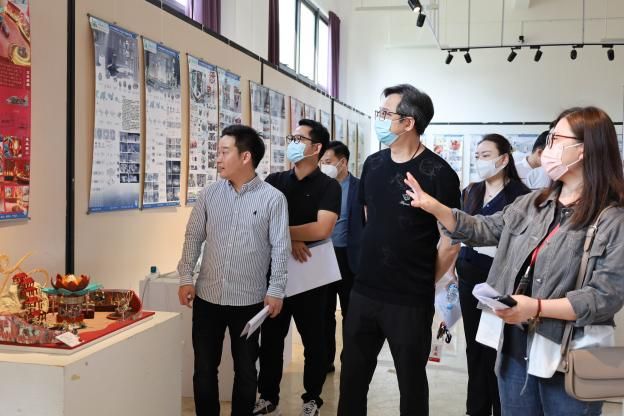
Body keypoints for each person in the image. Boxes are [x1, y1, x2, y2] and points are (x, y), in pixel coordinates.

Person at [404, 106, 624, 416]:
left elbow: (605, 297)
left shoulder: (614, 219)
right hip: (516, 347)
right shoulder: (533, 203)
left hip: (579, 355)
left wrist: (535, 307)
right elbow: (482, 229)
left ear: (585, 149)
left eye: (555, 139)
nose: (547, 149)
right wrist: (434, 207)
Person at [337, 84, 461, 416]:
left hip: (409, 300)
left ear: (408, 122)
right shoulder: (373, 164)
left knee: (411, 383)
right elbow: (369, 217)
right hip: (364, 291)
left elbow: (451, 242)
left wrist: (422, 279)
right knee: (352, 379)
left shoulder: (440, 174)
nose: (378, 119)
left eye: (384, 113)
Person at [177, 125, 290, 416]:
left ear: (245, 157)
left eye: (224, 152)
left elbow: (280, 248)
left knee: (246, 370)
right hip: (208, 298)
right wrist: (186, 277)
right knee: (204, 369)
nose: (217, 158)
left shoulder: (273, 199)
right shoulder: (209, 195)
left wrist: (276, 290)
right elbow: (193, 238)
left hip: (249, 302)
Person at [255, 119, 341, 416]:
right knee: (271, 340)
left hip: (311, 276)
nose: (291, 142)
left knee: (314, 342)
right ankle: (268, 397)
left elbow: (322, 228)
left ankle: (312, 398)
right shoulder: (275, 180)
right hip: (275, 275)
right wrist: (291, 238)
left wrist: (284, 234)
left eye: (298, 138)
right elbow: (260, 222)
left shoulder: (329, 186)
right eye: (291, 137)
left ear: (316, 148)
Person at [454, 134, 530, 416]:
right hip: (468, 277)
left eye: (486, 155)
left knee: (496, 350)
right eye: (477, 156)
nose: (479, 161)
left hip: (500, 283)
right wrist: (451, 269)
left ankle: (501, 408)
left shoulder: (521, 196)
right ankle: (476, 409)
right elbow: (459, 233)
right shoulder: (471, 191)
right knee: (474, 347)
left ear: (504, 159)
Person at [319, 140, 364, 373]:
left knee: (351, 312)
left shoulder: (359, 187)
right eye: (321, 162)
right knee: (324, 312)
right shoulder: (320, 186)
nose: (323, 166)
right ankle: (326, 359)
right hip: (322, 255)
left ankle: (350, 359)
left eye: (328, 161)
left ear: (343, 162)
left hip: (349, 257)